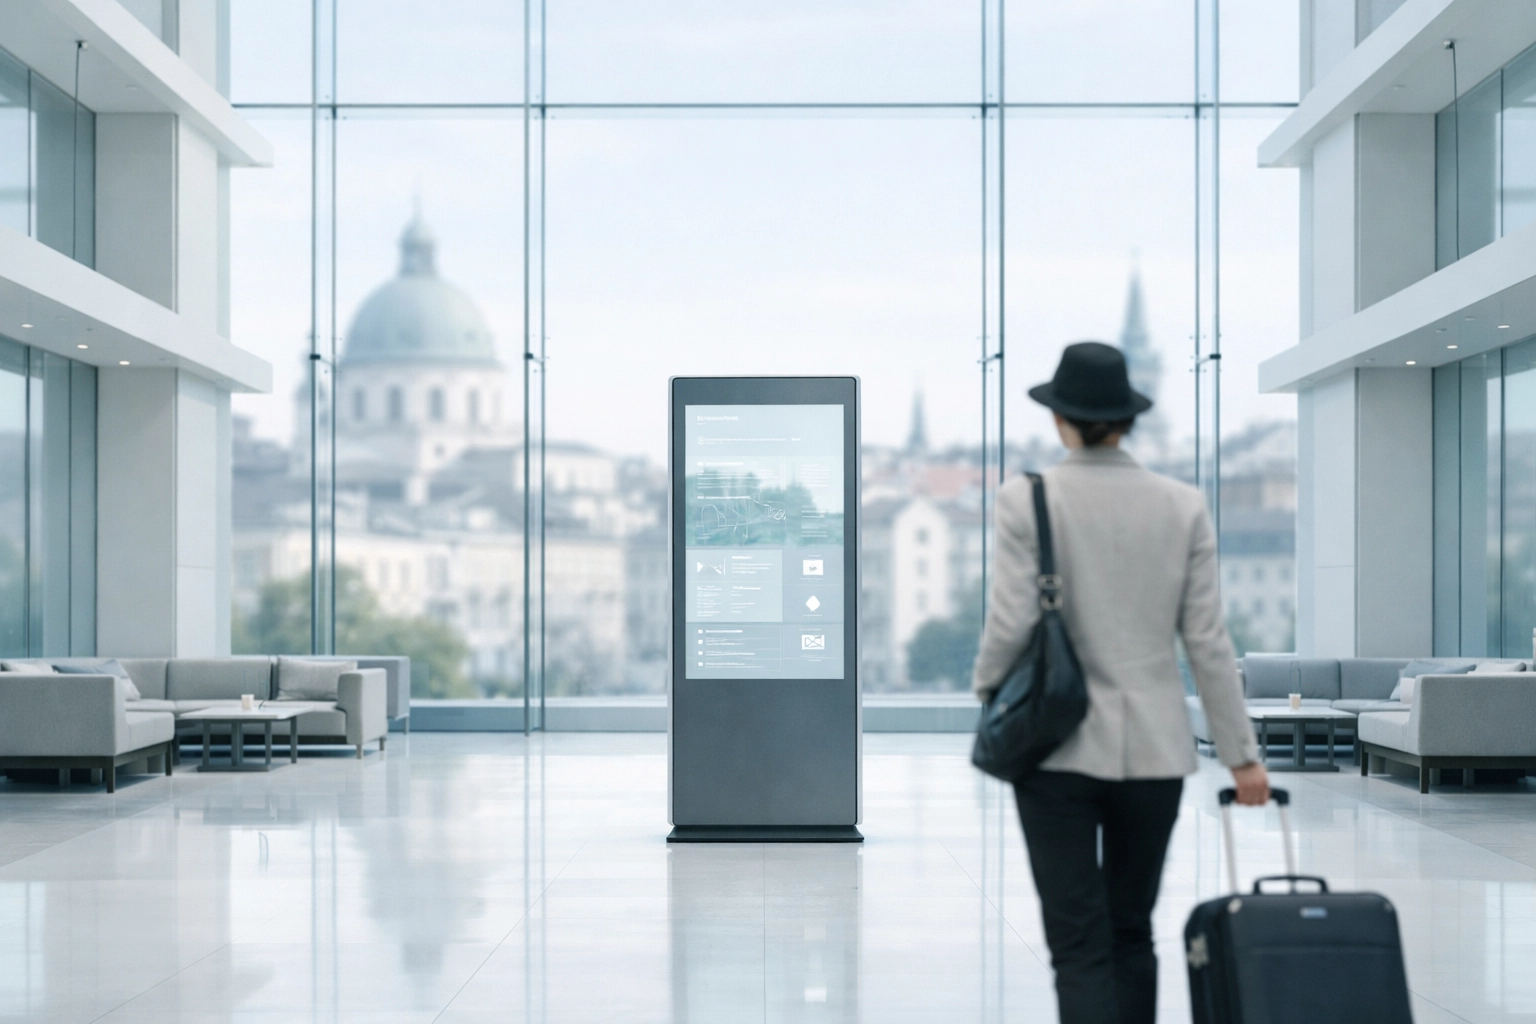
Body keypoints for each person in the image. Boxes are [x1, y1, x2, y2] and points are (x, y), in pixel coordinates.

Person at [972, 341, 1269, 1024]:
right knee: (1132, 930)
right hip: (1155, 753)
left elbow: (1011, 621)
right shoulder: (1182, 505)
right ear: (1128, 420)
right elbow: (1207, 641)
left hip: (1054, 748)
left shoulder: (1027, 500)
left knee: (1077, 943)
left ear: (1060, 419)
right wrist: (1241, 756)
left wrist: (990, 695)